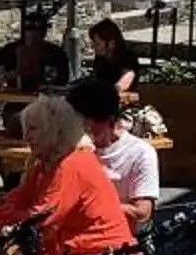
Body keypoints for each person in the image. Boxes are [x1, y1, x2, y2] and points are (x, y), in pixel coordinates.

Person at [0, 92, 145, 255]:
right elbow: (16, 201)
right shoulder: (44, 166)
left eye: (33, 129)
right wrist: (2, 210)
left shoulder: (72, 164)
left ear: (56, 131)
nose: (26, 137)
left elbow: (37, 223)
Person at [67, 73, 159, 231]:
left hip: (118, 239)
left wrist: (92, 206)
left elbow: (142, 213)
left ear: (111, 121)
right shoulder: (71, 146)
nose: (82, 130)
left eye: (88, 125)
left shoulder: (140, 153)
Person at [0, 12, 70, 92]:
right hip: (12, 99)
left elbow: (62, 82)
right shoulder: (9, 50)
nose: (33, 33)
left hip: (45, 100)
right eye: (29, 28)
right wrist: (7, 76)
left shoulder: (55, 53)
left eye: (38, 30)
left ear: (44, 32)